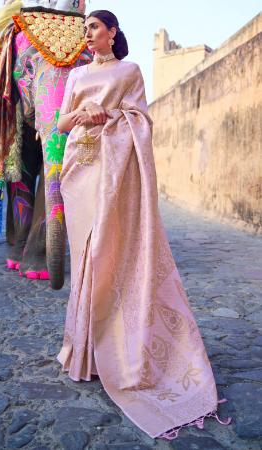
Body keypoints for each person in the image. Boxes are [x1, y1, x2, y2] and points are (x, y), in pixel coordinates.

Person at [56, 9, 230, 439]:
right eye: (85, 29)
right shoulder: (76, 77)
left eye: (94, 27)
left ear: (112, 32)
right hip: (82, 170)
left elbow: (141, 121)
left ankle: (118, 352)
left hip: (116, 172)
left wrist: (109, 116)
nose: (88, 34)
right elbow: (59, 123)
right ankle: (85, 354)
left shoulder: (129, 71)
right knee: (84, 259)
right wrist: (83, 116)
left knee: (107, 254)